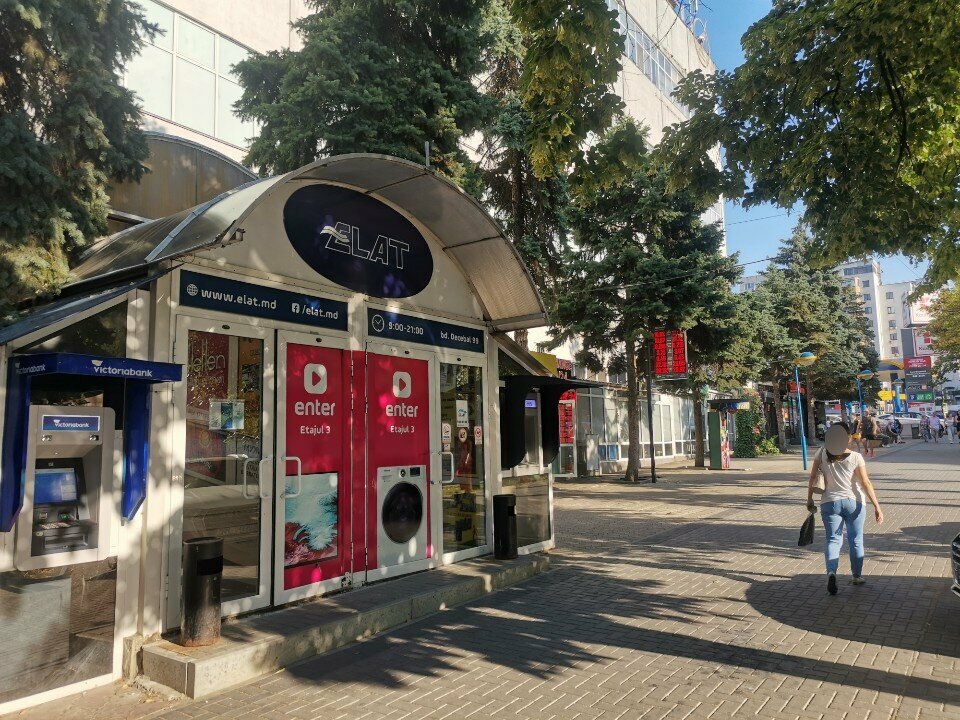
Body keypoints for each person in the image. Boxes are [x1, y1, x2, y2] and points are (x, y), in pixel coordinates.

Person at [807, 423, 884, 595]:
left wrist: (809, 499)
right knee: (856, 540)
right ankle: (856, 576)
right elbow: (865, 483)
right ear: (847, 438)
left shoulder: (821, 453)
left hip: (829, 503)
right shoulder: (856, 457)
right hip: (854, 502)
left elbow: (812, 478)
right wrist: (877, 506)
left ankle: (831, 572)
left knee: (833, 540)